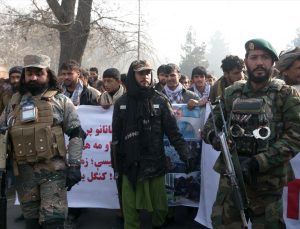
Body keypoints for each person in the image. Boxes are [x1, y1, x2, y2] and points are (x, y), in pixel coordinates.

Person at [202, 38, 300, 228]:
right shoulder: (232, 93)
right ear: (246, 62)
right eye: (254, 57)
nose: (259, 62)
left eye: (264, 57)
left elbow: (296, 136)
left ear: (272, 63)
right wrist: (216, 139)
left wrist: (259, 162)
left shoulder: (286, 95)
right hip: (232, 178)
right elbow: (210, 126)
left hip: (268, 183)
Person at [0, 54, 85, 229]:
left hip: (53, 173)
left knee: (53, 222)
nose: (34, 77)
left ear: (48, 75)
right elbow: (2, 133)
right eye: (29, 73)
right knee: (31, 224)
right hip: (24, 175)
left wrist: (75, 165)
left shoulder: (61, 101)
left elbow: (77, 134)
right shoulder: (14, 103)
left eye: (39, 73)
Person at [112, 60, 191, 229]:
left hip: (155, 164)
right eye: (141, 73)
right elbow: (116, 138)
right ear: (133, 76)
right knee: (130, 213)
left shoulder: (160, 101)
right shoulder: (121, 103)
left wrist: (185, 154)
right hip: (130, 166)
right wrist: (116, 166)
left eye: (148, 73)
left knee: (160, 211)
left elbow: (173, 133)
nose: (145, 77)